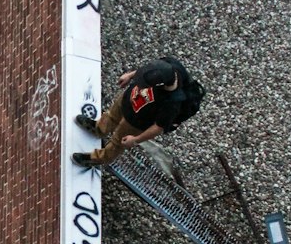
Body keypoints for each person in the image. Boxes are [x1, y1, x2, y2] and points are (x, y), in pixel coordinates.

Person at [72, 56, 204, 167]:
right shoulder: (170, 65)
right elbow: (149, 70)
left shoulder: (172, 103)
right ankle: (99, 129)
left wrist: (135, 140)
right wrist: (130, 75)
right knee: (111, 115)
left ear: (159, 85)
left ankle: (96, 159)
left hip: (135, 123)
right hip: (128, 100)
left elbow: (158, 127)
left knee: (117, 143)